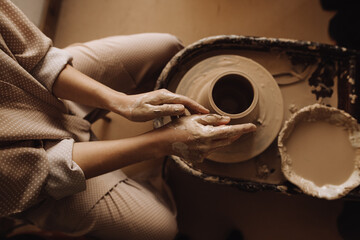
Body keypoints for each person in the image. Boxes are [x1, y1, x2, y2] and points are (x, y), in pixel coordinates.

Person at [0, 0, 256, 239]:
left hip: (39, 88)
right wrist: (162, 142)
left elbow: (37, 58)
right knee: (163, 229)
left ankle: (160, 149)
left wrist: (123, 102)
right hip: (37, 177)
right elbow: (47, 170)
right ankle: (153, 176)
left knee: (170, 50)